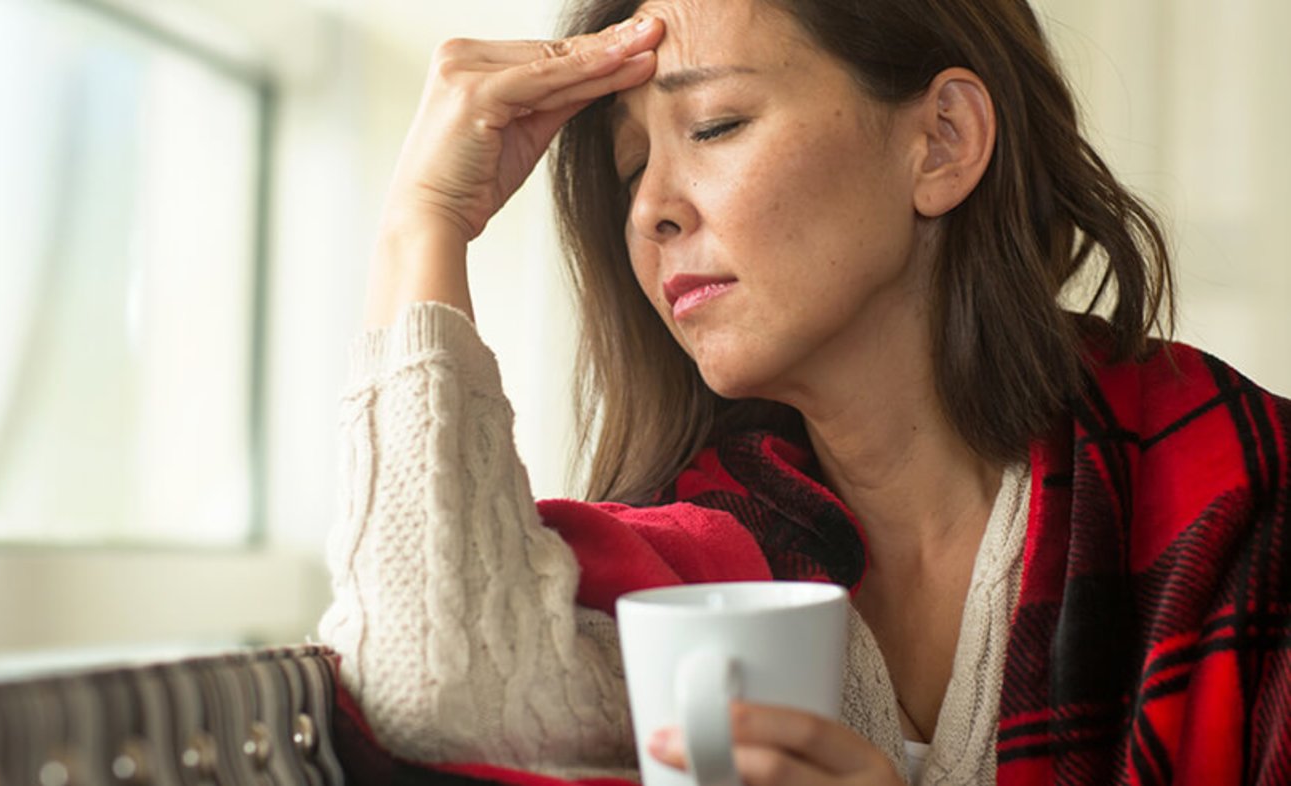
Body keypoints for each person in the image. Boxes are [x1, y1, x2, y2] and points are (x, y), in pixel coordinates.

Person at [318, 0, 1291, 784]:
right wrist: (426, 225)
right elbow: (435, 681)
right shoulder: (700, 566)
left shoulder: (1253, 508)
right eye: (629, 167)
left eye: (715, 125)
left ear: (943, 141)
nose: (652, 208)